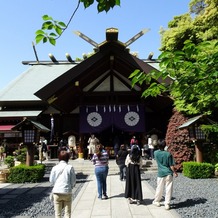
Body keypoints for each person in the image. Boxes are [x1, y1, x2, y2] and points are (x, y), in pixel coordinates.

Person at [49, 146, 76, 218]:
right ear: (67, 158)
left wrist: (56, 184)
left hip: (57, 192)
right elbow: (73, 181)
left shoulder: (54, 168)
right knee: (67, 213)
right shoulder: (70, 167)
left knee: (57, 214)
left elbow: (51, 180)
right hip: (67, 191)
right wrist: (71, 186)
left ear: (59, 158)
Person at [152, 139, 178, 210]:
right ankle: (167, 203)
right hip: (168, 173)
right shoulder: (168, 154)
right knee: (169, 189)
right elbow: (171, 166)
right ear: (165, 145)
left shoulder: (155, 153)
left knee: (159, 188)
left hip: (160, 173)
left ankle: (157, 201)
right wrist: (175, 172)